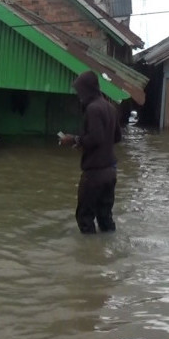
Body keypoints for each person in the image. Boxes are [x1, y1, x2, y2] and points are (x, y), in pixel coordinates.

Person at [59, 71, 122, 234]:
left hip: (94, 173)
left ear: (87, 89)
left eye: (80, 91)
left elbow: (96, 138)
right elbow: (116, 137)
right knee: (105, 217)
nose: (79, 95)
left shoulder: (93, 109)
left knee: (84, 218)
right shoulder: (110, 108)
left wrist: (74, 140)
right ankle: (107, 252)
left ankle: (90, 255)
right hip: (110, 172)